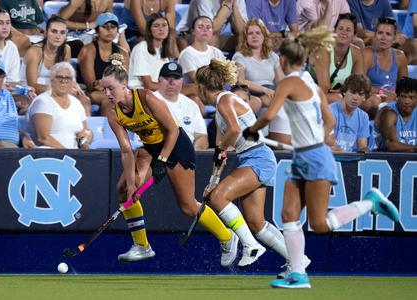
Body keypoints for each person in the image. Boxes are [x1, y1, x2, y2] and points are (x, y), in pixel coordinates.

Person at [242, 27, 400, 288]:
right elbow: (329, 120)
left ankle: (370, 203)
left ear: (282, 59)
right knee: (289, 214)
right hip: (307, 155)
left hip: (313, 157)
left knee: (320, 224)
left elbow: (270, 115)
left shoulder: (289, 82)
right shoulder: (312, 85)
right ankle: (299, 273)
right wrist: (314, 137)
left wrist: (252, 131)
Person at [101, 58, 240, 266]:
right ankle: (142, 246)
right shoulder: (113, 113)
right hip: (151, 147)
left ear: (124, 85)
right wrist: (132, 185)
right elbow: (126, 150)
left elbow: (173, 130)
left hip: (176, 145)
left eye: (111, 88)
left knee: (188, 206)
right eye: (104, 89)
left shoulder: (146, 98)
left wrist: (162, 160)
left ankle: (228, 237)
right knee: (123, 189)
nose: (107, 94)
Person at [196, 58, 313, 275]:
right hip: (253, 158)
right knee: (255, 222)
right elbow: (221, 152)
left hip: (258, 157)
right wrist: (212, 181)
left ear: (202, 87)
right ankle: (297, 261)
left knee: (219, 199)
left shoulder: (224, 100)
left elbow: (230, 132)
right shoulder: (221, 107)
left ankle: (251, 246)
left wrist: (221, 147)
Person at [232, 18, 290, 145]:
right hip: (249, 91)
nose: (254, 36)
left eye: (258, 33)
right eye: (251, 33)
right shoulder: (239, 56)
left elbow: (281, 82)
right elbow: (240, 80)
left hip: (270, 92)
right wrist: (264, 89)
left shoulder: (273, 56)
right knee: (257, 102)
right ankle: (245, 137)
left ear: (264, 36)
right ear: (245, 37)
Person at [26, 62, 92, 149]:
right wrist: (69, 153)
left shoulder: (76, 103)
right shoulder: (42, 102)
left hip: (74, 155)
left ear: (73, 82)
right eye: (59, 77)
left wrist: (84, 142)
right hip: (50, 154)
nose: (63, 81)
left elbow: (85, 131)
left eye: (68, 78)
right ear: (51, 79)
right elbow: (43, 138)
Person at [77, 13, 130, 113]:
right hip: (90, 92)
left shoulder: (122, 52)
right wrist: (111, 85)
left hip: (114, 91)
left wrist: (103, 83)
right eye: (105, 27)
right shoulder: (88, 50)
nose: (109, 30)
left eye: (113, 27)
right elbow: (91, 85)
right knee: (109, 100)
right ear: (97, 30)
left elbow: (123, 82)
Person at [154, 62, 208, 149]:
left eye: (176, 78)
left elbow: (202, 137)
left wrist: (191, 155)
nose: (171, 82)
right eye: (167, 78)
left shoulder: (191, 105)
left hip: (187, 154)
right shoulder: (149, 102)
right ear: (159, 80)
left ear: (182, 81)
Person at [363, 16, 409, 117]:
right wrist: (382, 92)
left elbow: (404, 86)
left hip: (393, 98)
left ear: (394, 38)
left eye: (388, 34)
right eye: (380, 33)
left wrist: (395, 94)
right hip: (372, 98)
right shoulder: (367, 53)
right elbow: (360, 84)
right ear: (375, 35)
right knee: (374, 101)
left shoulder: (400, 56)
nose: (383, 37)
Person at [325, 13, 365, 103]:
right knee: (339, 99)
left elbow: (359, 83)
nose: (343, 32)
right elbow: (324, 88)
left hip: (343, 95)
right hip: (320, 94)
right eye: (340, 29)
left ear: (354, 35)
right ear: (334, 31)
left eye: (348, 30)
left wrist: (342, 91)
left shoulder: (356, 53)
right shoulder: (325, 49)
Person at [177, 0, 246, 52]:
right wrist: (227, 5)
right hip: (187, 36)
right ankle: (212, 69)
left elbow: (242, 30)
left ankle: (238, 68)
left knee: (245, 38)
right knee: (211, 36)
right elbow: (211, 29)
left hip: (217, 35)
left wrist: (234, 6)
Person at [127, 13, 174, 90]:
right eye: (156, 26)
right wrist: (173, 88)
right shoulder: (141, 48)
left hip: (158, 91)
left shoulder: (163, 49)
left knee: (193, 95)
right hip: (140, 92)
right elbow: (149, 85)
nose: (161, 29)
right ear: (149, 30)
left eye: (164, 25)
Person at [328, 74, 371, 152]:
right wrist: (345, 154)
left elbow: (362, 147)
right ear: (344, 92)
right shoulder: (329, 111)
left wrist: (365, 151)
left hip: (351, 161)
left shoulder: (364, 117)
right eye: (352, 92)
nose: (355, 98)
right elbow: (328, 147)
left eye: (360, 94)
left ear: (365, 97)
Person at [374, 76, 417, 152]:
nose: (407, 101)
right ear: (397, 96)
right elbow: (392, 145)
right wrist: (415, 148)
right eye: (403, 96)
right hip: (385, 160)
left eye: (411, 97)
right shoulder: (388, 113)